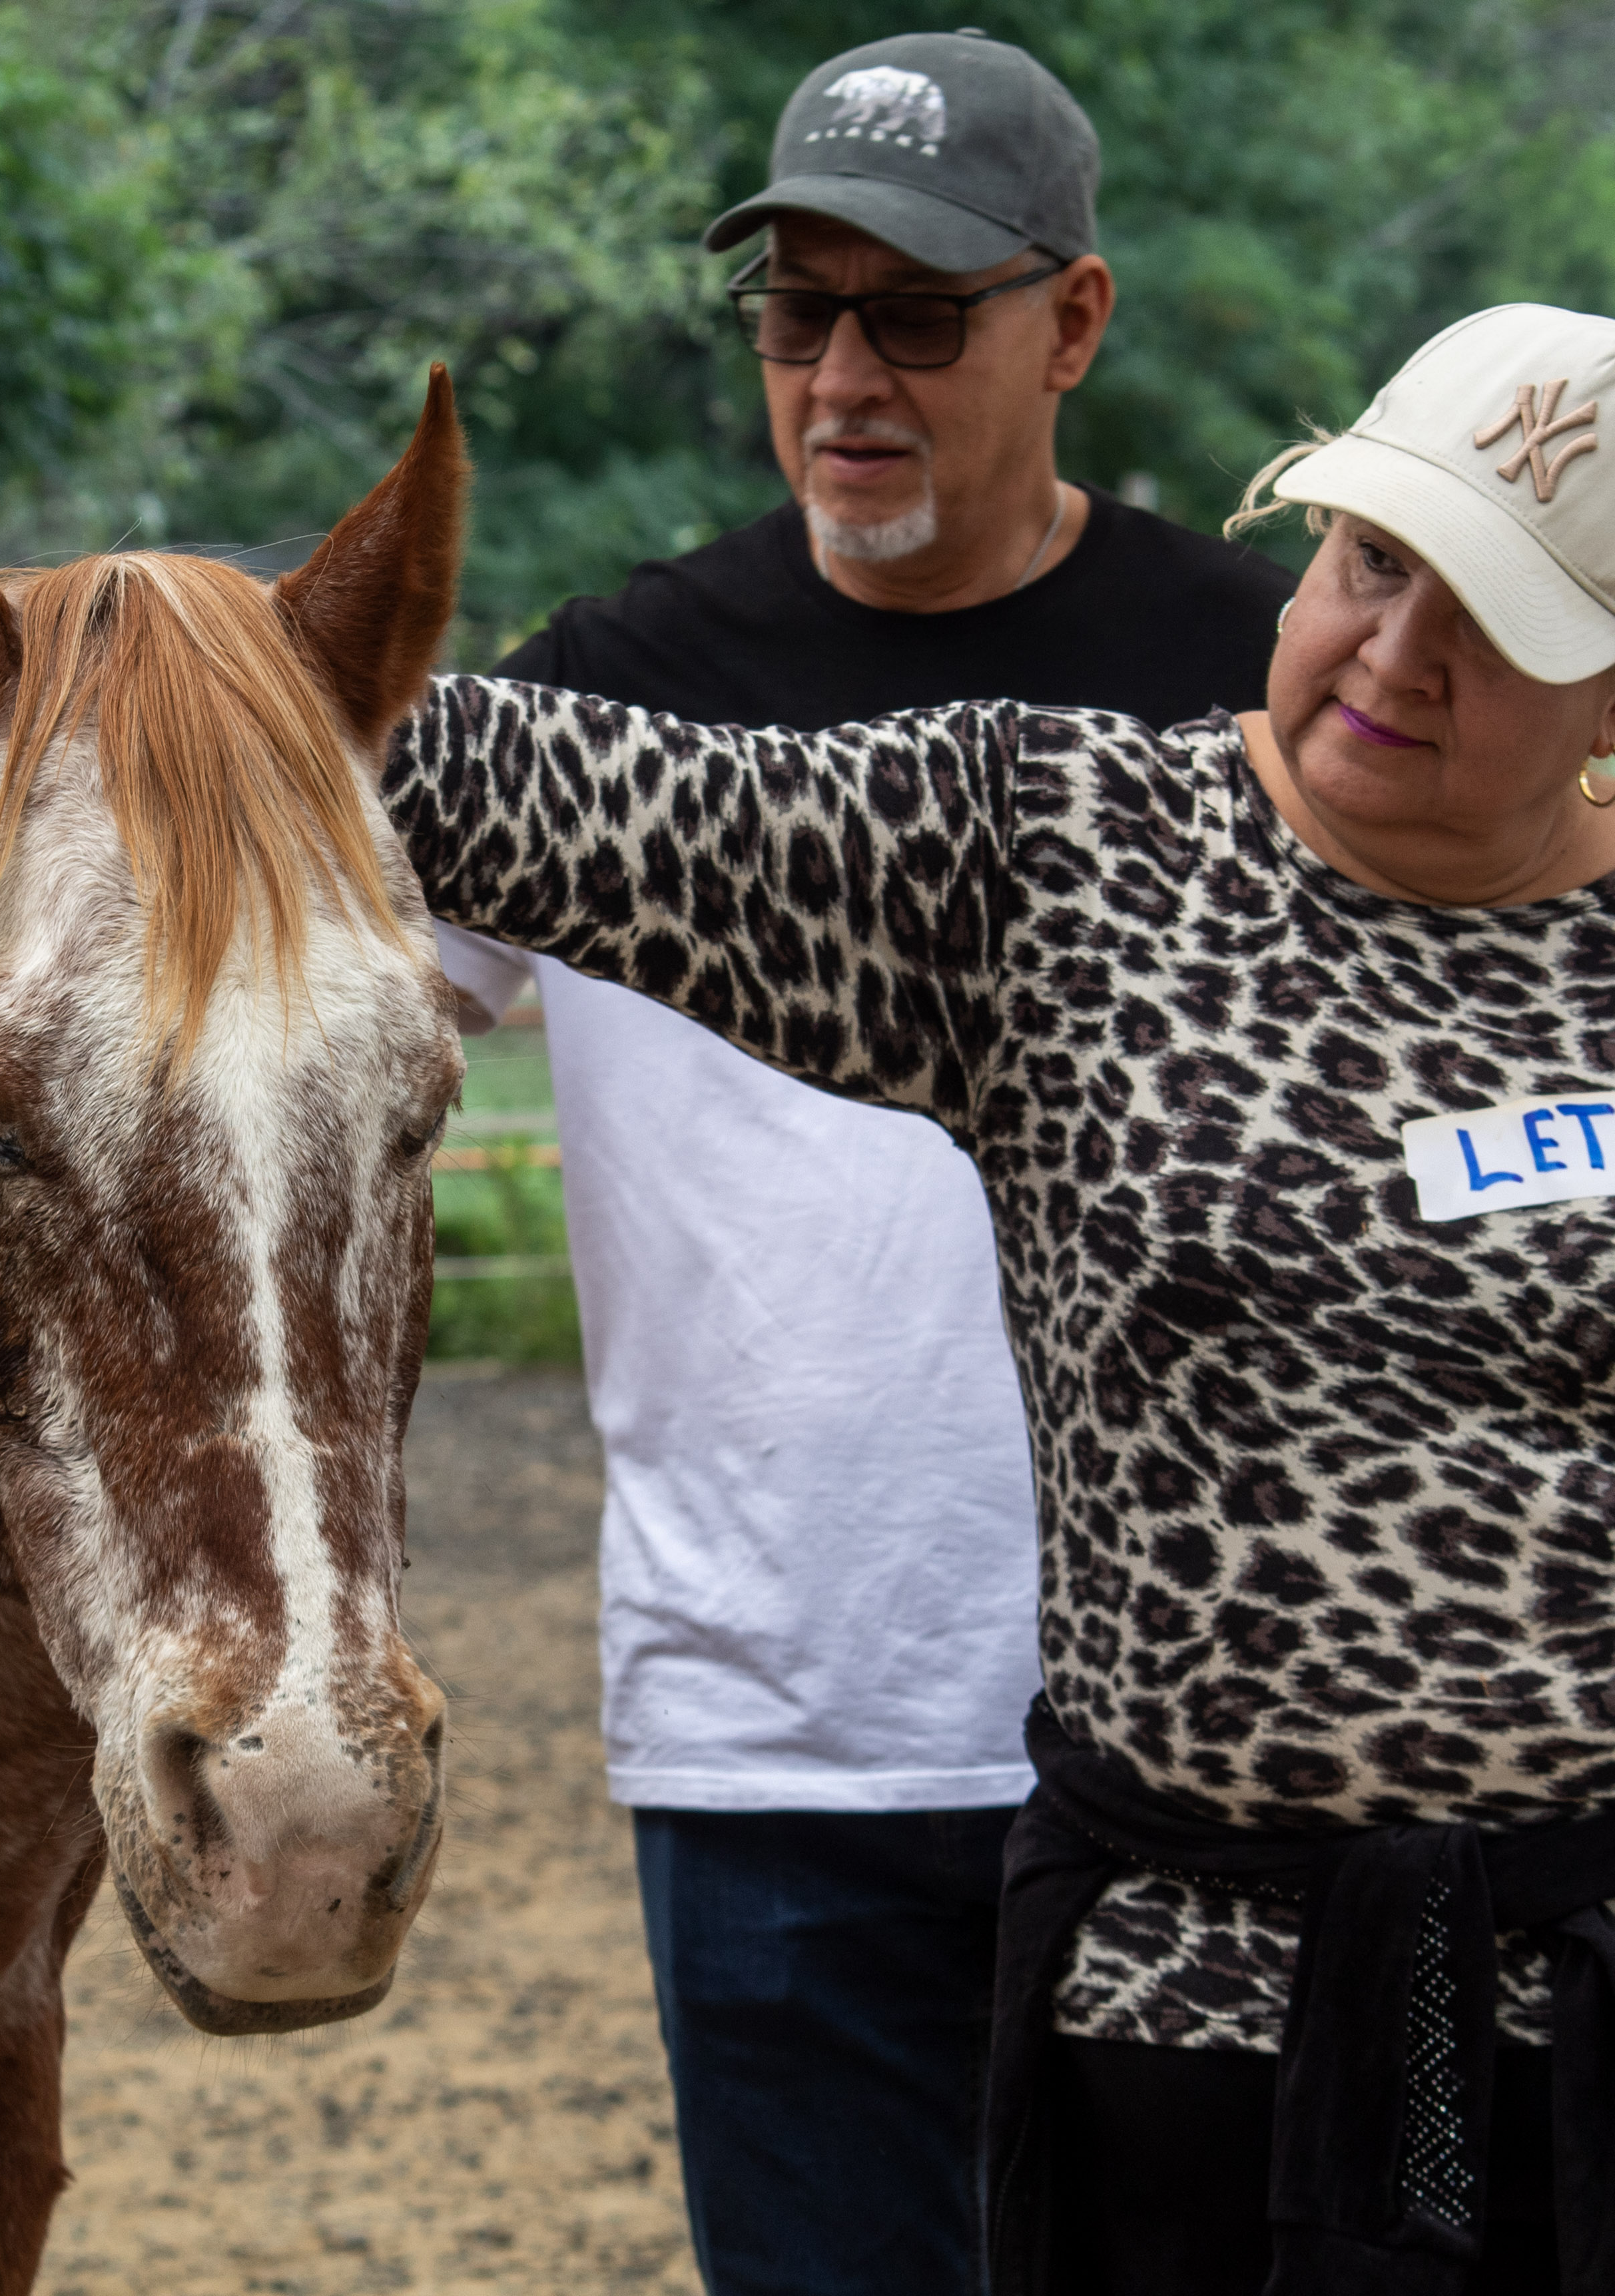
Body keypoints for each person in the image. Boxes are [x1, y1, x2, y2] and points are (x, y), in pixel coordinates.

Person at [385, 302, 1615, 2296]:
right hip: (1209, 2025)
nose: (1396, 655)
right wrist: (48, 650)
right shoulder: (1051, 862)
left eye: (1491, 624)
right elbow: (489, 781)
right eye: (1369, 563)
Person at [432, 31, 1289, 2296]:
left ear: (1071, 324)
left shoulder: (1256, 695)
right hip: (774, 1728)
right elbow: (292, 1027)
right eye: (796, 316)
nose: (842, 380)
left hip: (1204, 1723)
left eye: (917, 317)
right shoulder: (602, 699)